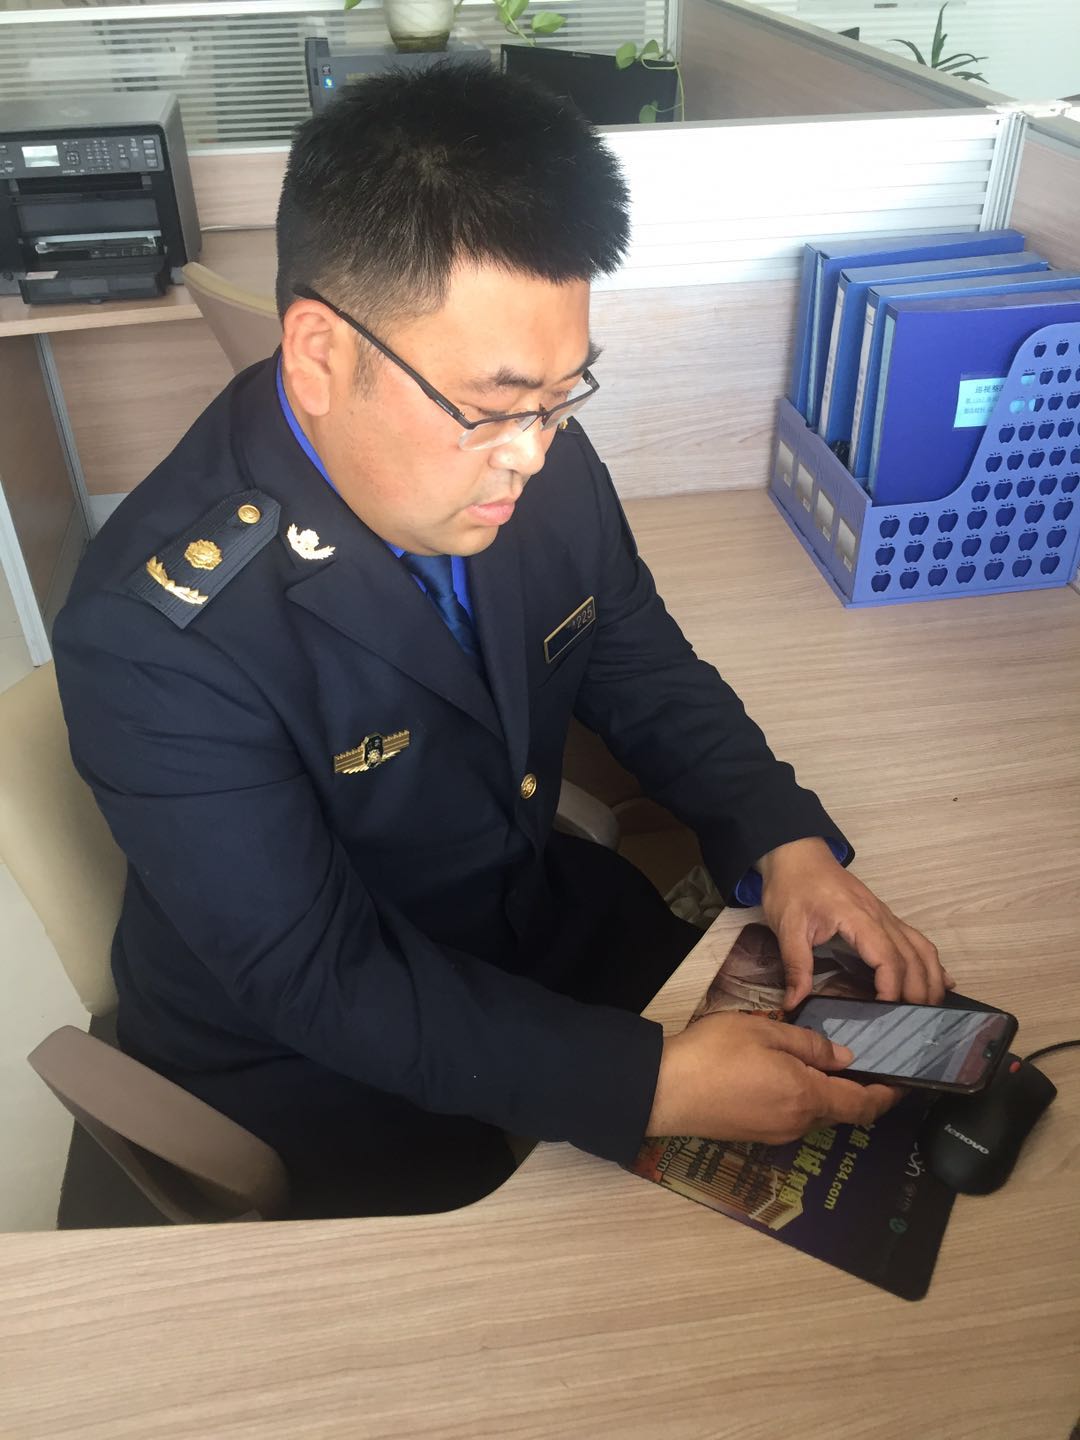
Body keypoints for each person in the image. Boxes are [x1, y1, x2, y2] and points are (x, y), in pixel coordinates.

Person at [53, 63, 950, 1219]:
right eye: (491, 406)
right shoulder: (154, 635)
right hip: (318, 1057)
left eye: (563, 395)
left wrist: (785, 842)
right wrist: (649, 1085)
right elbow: (317, 975)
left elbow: (637, 660)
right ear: (319, 354)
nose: (533, 451)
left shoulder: (526, 448)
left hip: (526, 924)